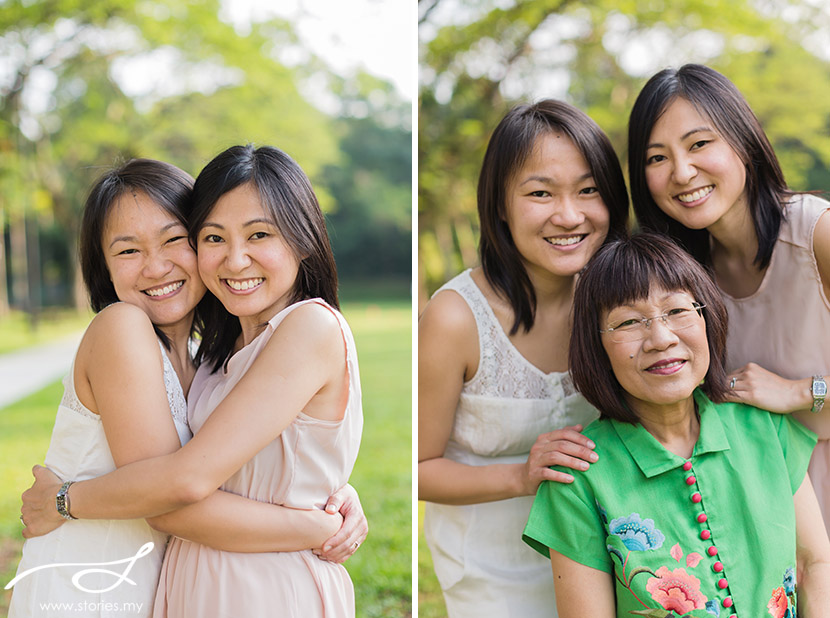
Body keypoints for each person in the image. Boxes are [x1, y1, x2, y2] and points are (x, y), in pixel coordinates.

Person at [19, 145, 363, 617]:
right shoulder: (126, 329)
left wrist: (331, 501)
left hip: (181, 583)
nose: (155, 266)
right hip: (92, 587)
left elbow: (218, 472)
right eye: (127, 250)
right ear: (102, 264)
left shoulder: (211, 358)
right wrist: (319, 524)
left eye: (173, 239)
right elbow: (175, 495)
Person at [523, 232, 830, 616]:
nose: (660, 338)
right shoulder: (579, 477)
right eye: (629, 322)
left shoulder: (765, 427)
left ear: (706, 317)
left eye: (678, 311)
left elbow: (812, 565)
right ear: (595, 345)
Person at [419, 99, 629, 616]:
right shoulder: (455, 319)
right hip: (493, 574)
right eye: (540, 193)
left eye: (588, 190)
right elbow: (418, 468)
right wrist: (520, 475)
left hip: (612, 558)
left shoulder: (620, 298)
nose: (569, 215)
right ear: (499, 206)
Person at [628, 63, 830, 535]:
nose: (682, 172)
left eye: (699, 144)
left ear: (742, 141)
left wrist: (799, 391)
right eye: (656, 158)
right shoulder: (677, 276)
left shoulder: (815, 233)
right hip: (767, 505)